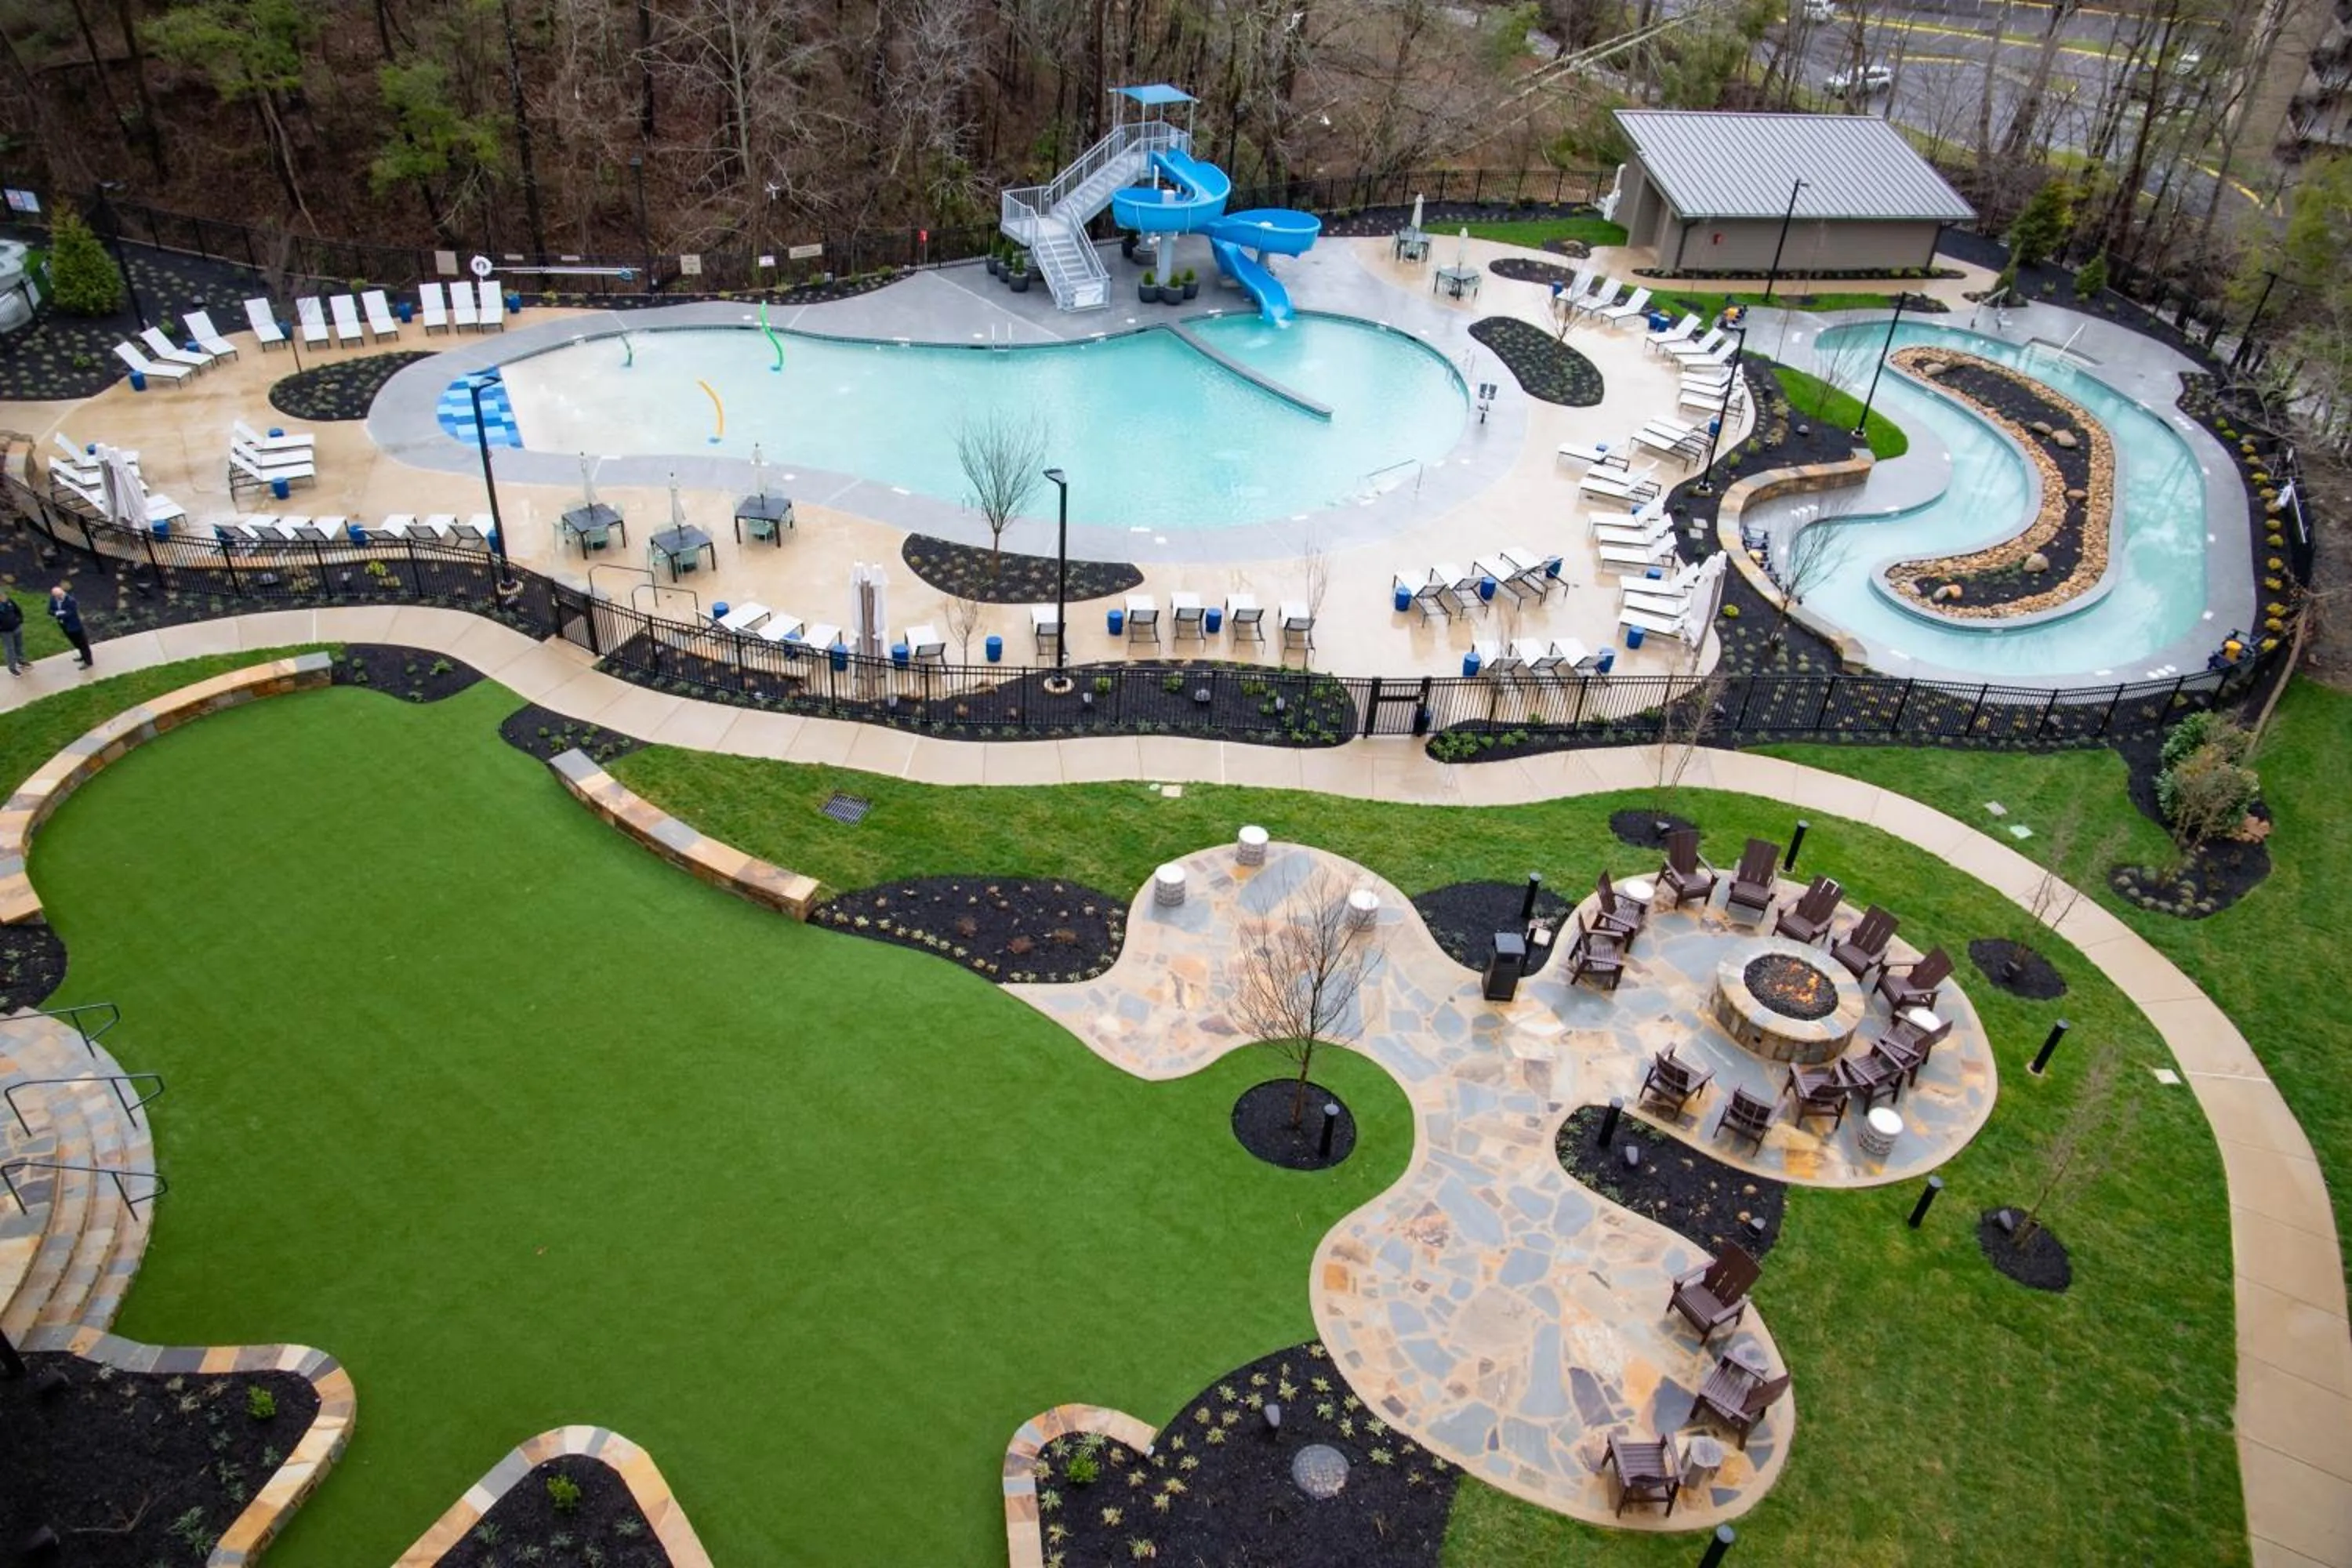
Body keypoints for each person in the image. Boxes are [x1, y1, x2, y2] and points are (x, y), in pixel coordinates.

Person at [49, 583, 92, 669]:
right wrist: (58, 613)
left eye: (60, 595)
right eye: (57, 596)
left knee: (83, 644)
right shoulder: (53, 599)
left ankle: (88, 661)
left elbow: (71, 614)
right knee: (75, 643)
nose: (59, 597)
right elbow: (50, 611)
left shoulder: (70, 600)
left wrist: (59, 614)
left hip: (74, 626)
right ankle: (83, 656)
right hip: (64, 625)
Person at [0, 593, 24, 675]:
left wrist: (20, 620)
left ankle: (21, 661)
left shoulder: (9, 602)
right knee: (10, 649)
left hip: (16, 627)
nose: (4, 598)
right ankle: (12, 668)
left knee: (19, 645)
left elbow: (18, 610)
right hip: (5, 632)